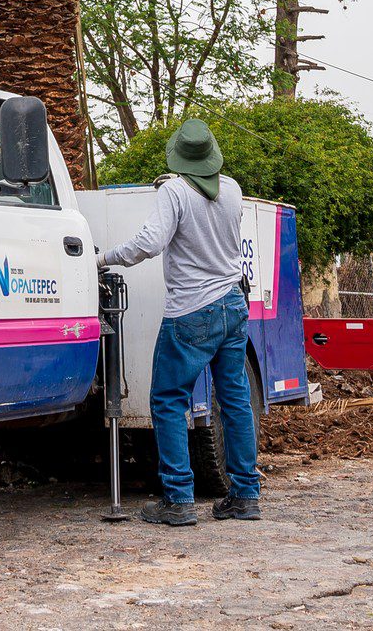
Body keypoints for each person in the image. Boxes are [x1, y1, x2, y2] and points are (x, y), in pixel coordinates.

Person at [100, 118, 261, 526]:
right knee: (236, 400)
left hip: (191, 312)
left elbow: (150, 244)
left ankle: (178, 500)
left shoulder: (173, 191)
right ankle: (245, 496)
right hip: (233, 305)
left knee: (169, 400)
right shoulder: (233, 189)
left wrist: (103, 259)